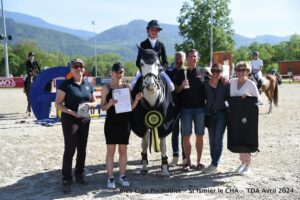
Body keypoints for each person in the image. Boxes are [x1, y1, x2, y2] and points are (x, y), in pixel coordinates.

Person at [55, 58, 97, 193]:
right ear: (71, 69)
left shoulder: (88, 85)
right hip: (70, 120)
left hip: (85, 119)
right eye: (75, 66)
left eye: (81, 66)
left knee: (82, 149)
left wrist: (90, 104)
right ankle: (66, 178)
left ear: (84, 69)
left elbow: (95, 102)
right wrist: (72, 112)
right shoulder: (66, 85)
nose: (78, 69)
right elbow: (58, 103)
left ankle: (79, 174)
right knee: (70, 148)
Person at [101, 62, 143, 189]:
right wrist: (110, 104)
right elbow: (102, 107)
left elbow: (130, 107)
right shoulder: (106, 88)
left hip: (125, 123)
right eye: (117, 72)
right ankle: (110, 178)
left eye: (122, 72)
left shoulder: (127, 87)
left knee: (123, 151)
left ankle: (122, 176)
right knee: (110, 152)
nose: (120, 74)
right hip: (111, 123)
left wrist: (136, 99)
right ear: (112, 73)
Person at [174, 49, 206, 171]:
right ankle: (187, 162)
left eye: (195, 56)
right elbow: (175, 90)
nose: (192, 58)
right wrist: (181, 86)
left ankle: (199, 162)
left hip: (200, 109)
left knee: (200, 136)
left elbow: (212, 84)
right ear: (186, 58)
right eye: (190, 56)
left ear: (197, 58)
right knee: (186, 136)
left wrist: (223, 80)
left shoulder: (203, 71)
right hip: (185, 109)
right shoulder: (181, 73)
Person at [229, 61, 261, 175]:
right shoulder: (232, 82)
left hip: (248, 117)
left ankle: (248, 165)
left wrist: (250, 96)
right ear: (236, 71)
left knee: (247, 138)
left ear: (247, 72)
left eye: (244, 70)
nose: (241, 72)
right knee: (238, 138)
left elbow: (259, 100)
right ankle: (242, 163)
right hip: (235, 116)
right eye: (239, 70)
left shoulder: (251, 84)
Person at [130, 19, 173, 90]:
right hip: (145, 70)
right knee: (132, 86)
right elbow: (138, 61)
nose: (154, 32)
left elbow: (165, 61)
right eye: (152, 30)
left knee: (171, 87)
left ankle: (170, 101)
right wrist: (143, 69)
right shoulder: (143, 44)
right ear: (148, 31)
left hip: (158, 70)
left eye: (156, 30)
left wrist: (161, 68)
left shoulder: (161, 44)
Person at [203, 63, 230, 174]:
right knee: (211, 140)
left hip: (222, 115)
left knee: (218, 139)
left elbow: (230, 98)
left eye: (218, 71)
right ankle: (213, 163)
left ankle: (215, 164)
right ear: (211, 71)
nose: (215, 73)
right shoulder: (205, 84)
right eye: (213, 71)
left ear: (221, 72)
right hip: (209, 115)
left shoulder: (225, 83)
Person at [165, 51, 186, 166]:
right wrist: (179, 87)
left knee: (185, 133)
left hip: (186, 106)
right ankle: (175, 156)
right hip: (173, 106)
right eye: (177, 58)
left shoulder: (187, 72)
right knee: (174, 133)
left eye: (181, 58)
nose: (178, 60)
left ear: (184, 59)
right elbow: (171, 88)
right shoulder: (169, 72)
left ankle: (185, 157)